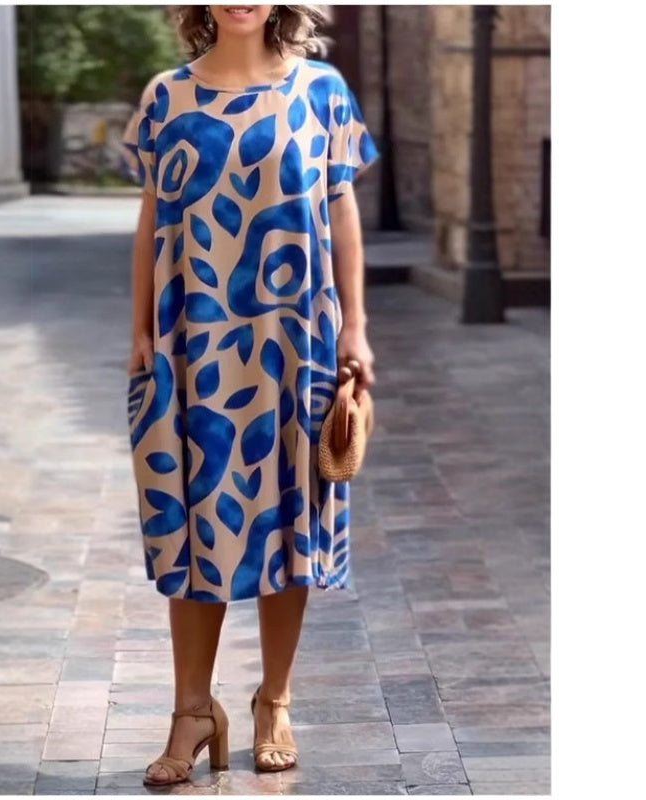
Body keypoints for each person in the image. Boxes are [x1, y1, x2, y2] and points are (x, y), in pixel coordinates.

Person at [120, 4, 380, 786]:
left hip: (295, 339)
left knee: (284, 521)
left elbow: (341, 209)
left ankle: (275, 702)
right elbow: (151, 218)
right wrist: (140, 328)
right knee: (193, 520)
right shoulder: (165, 96)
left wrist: (356, 327)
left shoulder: (322, 91)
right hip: (190, 340)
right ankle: (192, 711)